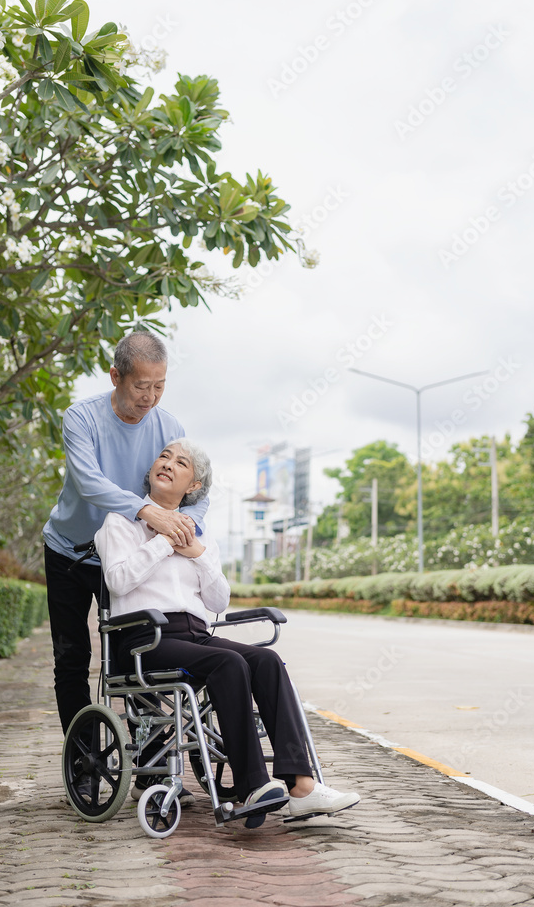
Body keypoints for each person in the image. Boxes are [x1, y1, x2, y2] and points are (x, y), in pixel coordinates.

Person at [94, 438, 361, 827]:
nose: (167, 463)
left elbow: (219, 601)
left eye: (180, 463)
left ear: (194, 487)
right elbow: (118, 581)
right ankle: (253, 785)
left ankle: (303, 787)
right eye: (164, 457)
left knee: (267, 660)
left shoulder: (202, 535)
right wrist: (165, 543)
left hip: (196, 635)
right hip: (142, 640)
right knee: (228, 662)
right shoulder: (120, 523)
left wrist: (196, 553)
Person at [42, 333, 209, 743]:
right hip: (69, 553)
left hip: (130, 557)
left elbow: (195, 494)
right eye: (141, 386)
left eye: (160, 385)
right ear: (116, 376)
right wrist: (147, 511)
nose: (150, 397)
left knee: (135, 655)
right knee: (72, 658)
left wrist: (185, 532)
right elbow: (88, 483)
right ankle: (84, 763)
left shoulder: (170, 427)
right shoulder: (81, 418)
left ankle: (150, 769)